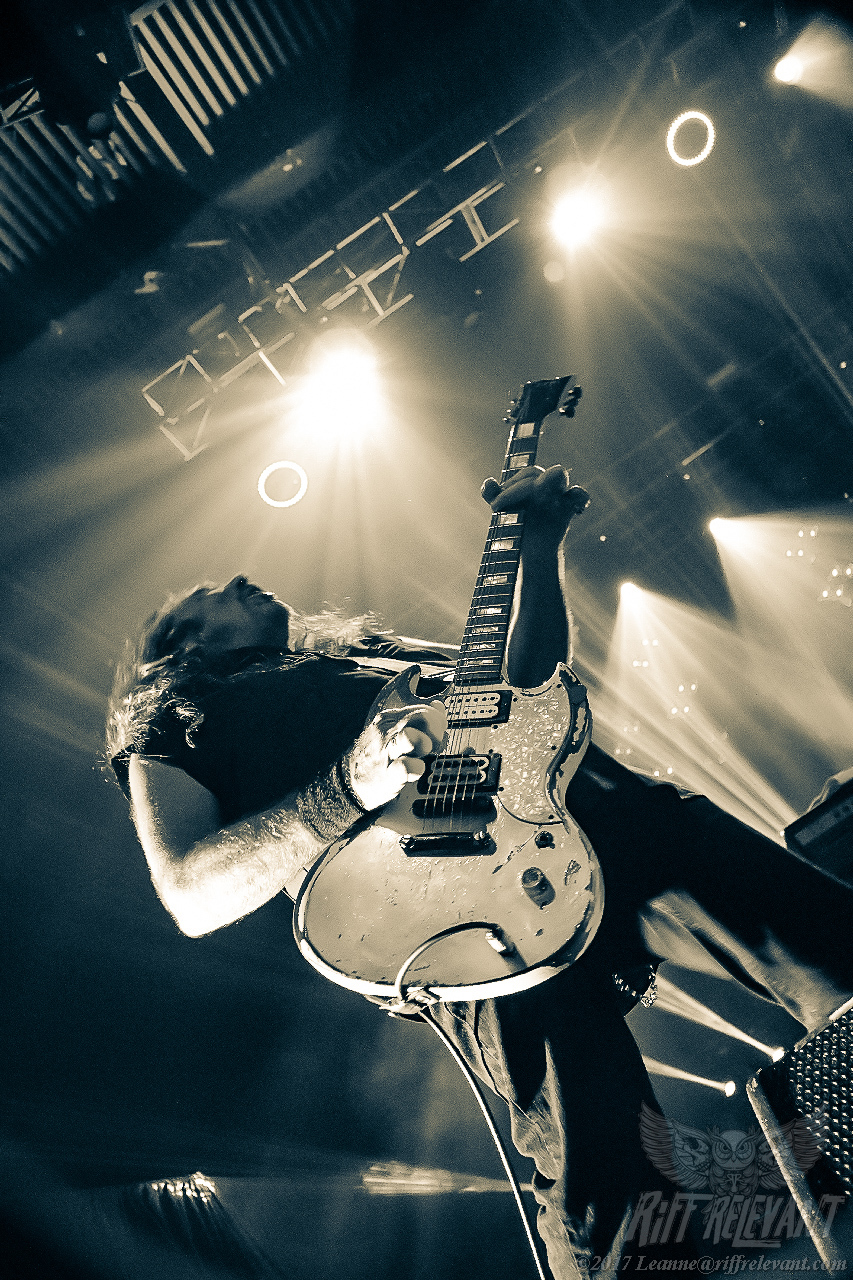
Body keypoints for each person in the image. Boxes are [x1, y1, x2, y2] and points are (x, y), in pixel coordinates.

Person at [107, 465, 853, 1280]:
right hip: (449, 916)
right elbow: (189, 893)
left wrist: (538, 546)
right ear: (181, 645)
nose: (241, 578)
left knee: (831, 947)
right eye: (210, 593)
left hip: (605, 821)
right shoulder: (173, 724)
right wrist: (350, 783)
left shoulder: (371, 657)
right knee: (607, 1172)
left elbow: (525, 686)